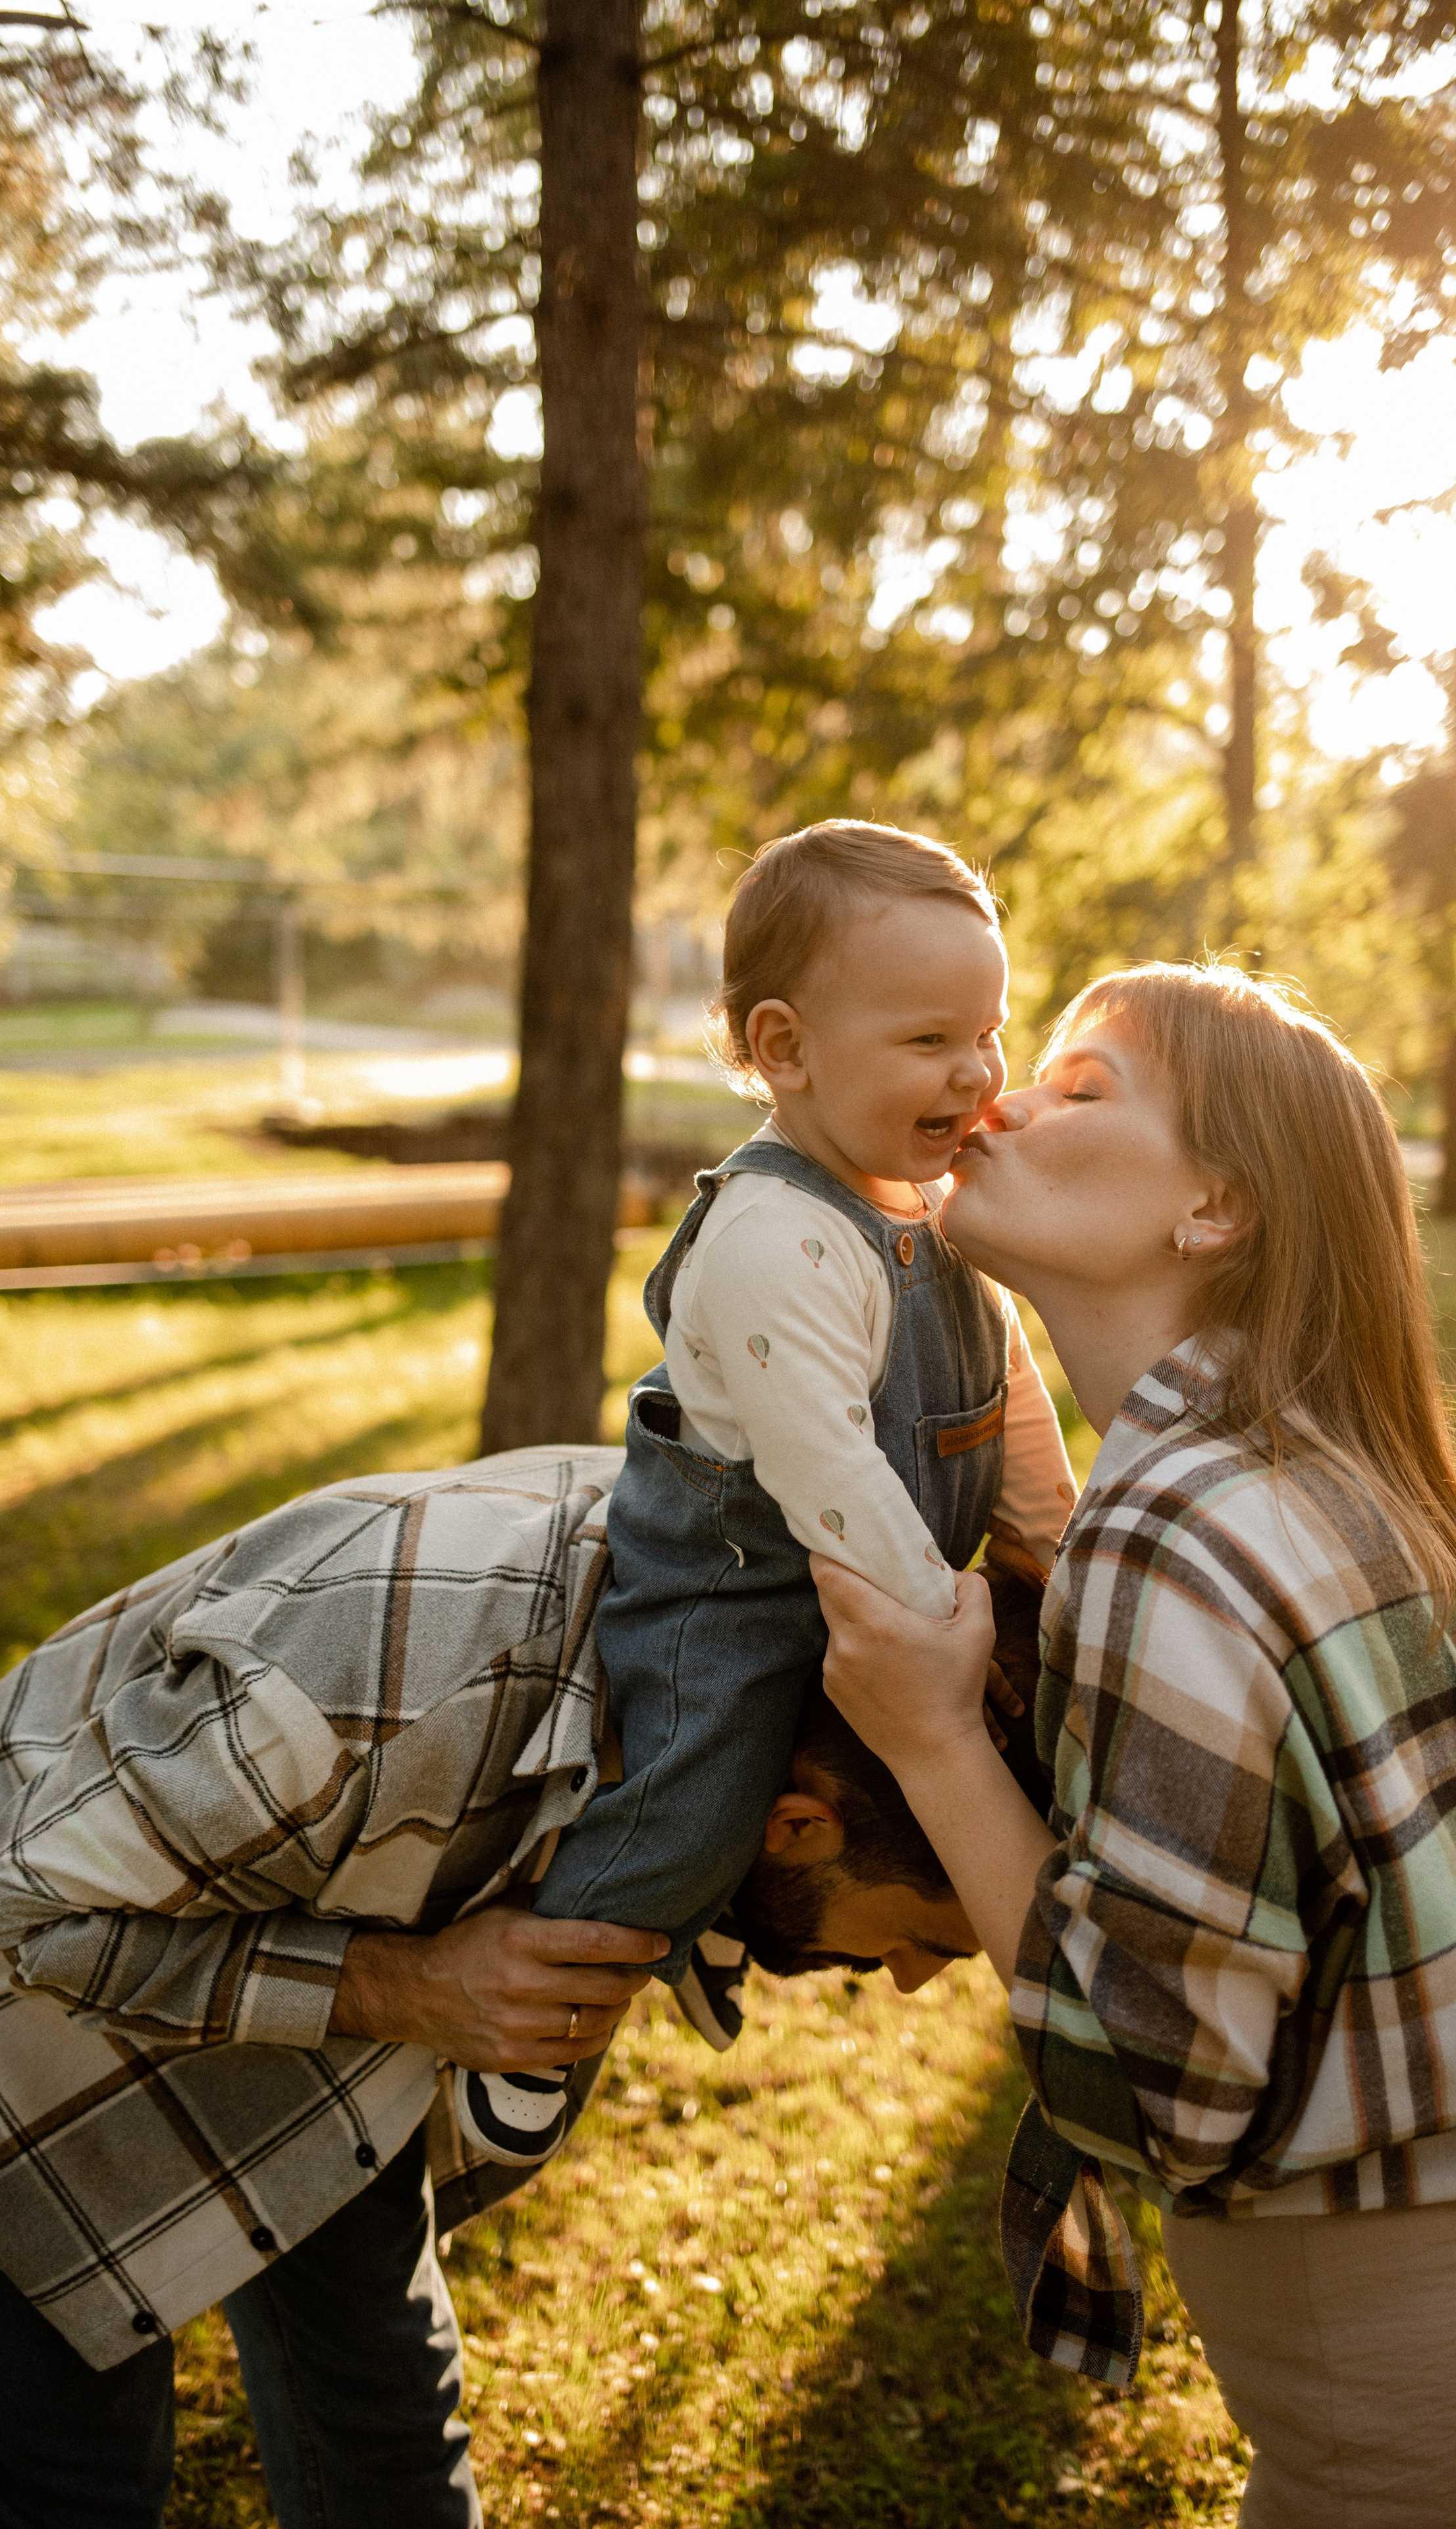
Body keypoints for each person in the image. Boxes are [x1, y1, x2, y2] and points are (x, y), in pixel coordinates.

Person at [815, 961, 1456, 2529]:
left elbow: (1155, 2090)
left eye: (1081, 1089)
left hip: (1420, 2409)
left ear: (1213, 1209)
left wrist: (932, 1739)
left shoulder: (1169, 1529)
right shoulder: (1300, 1474)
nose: (998, 1100)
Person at [0, 1444, 981, 2529]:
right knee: (77, 2489)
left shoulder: (719, 1677)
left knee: (386, 2419)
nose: (910, 1981)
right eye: (929, 1940)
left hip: (294, 1956)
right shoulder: (380, 1698)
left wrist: (388, 1989)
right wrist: (406, 1990)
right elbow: (19, 1916)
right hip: (0, 2004)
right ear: (800, 1826)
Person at [460, 821, 1076, 2166]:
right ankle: (572, 1993)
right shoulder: (772, 1237)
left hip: (879, 1597)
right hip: (732, 1598)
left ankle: (708, 1922)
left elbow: (1004, 1389)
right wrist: (944, 1634)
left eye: (989, 1032)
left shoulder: (931, 1205)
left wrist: (1059, 1549)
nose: (976, 1071)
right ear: (785, 1048)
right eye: (930, 1039)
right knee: (695, 1803)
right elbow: (826, 1473)